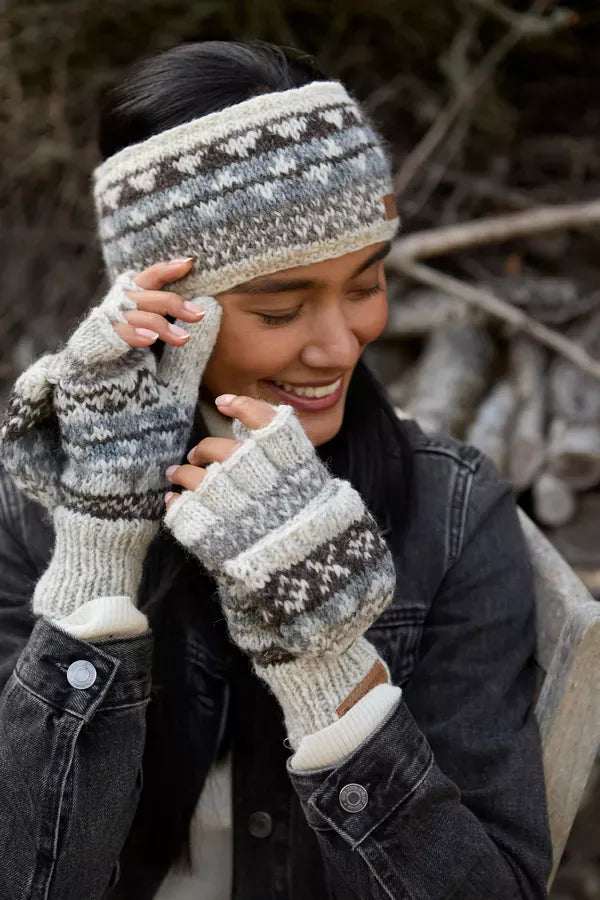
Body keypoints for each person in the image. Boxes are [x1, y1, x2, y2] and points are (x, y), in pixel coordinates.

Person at [0, 40, 551, 900]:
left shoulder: (450, 509)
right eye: (281, 307)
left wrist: (327, 666)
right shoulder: (35, 506)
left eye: (367, 284)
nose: (340, 346)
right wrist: (99, 554)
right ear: (163, 312)